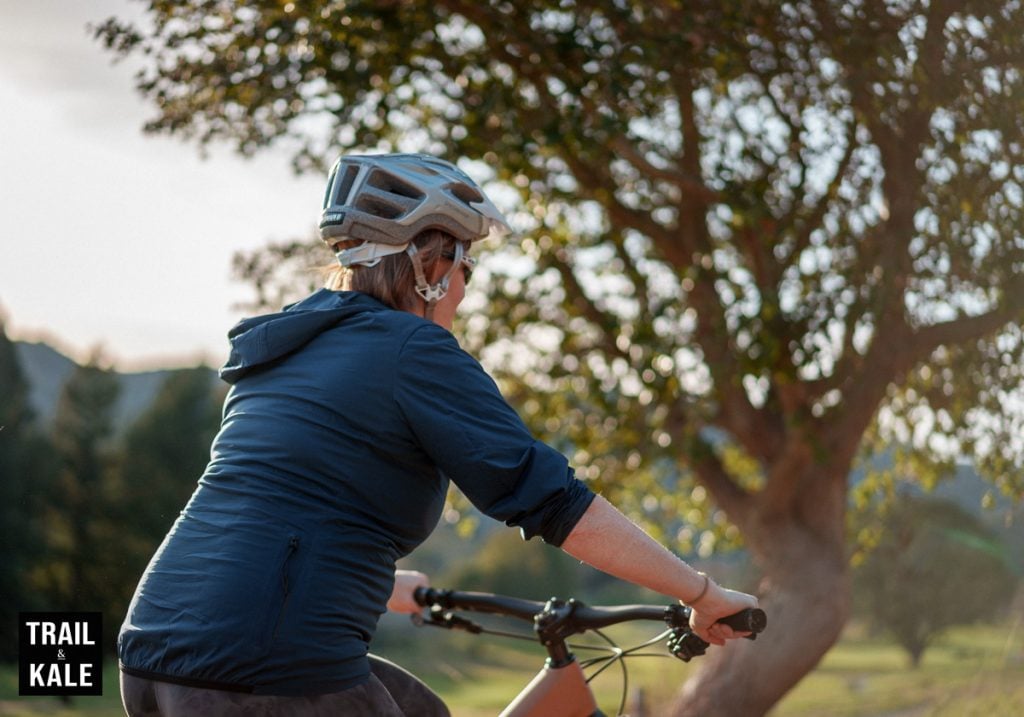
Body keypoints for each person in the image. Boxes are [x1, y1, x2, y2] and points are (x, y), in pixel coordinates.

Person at [117, 153, 759, 716]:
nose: (464, 289)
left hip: (156, 647)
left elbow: (289, 499)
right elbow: (553, 500)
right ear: (432, 263)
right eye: (465, 266)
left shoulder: (292, 345)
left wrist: (379, 584)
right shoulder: (413, 348)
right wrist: (702, 593)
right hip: (262, 665)